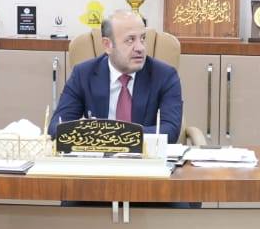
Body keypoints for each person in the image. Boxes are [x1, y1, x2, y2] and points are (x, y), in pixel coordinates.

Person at [53, 9, 183, 142]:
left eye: (143, 38)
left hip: (145, 154)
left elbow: (170, 131)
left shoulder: (165, 76)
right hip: (98, 154)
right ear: (107, 45)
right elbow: (56, 127)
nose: (140, 48)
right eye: (130, 40)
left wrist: (109, 135)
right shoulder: (83, 74)